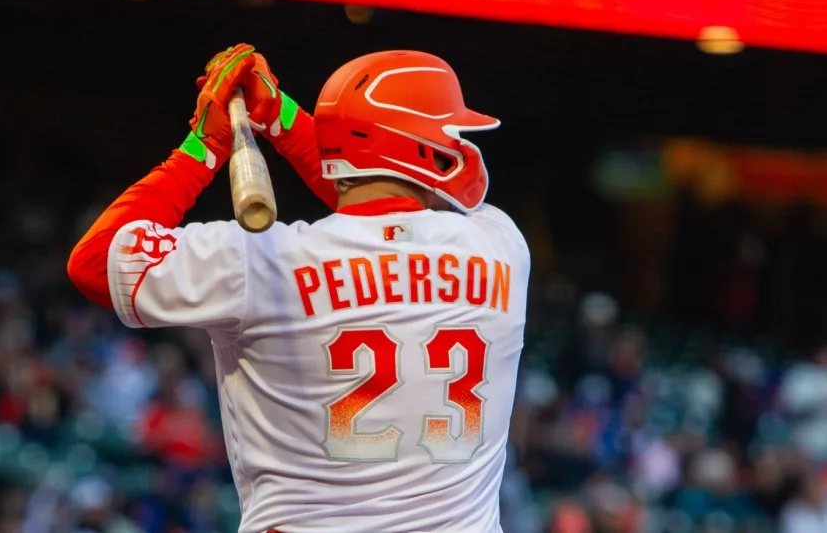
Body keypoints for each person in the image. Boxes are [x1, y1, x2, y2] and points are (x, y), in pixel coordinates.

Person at [68, 44, 531, 533]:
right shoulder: (500, 245)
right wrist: (282, 118)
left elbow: (96, 262)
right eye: (448, 134)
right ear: (417, 146)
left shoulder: (260, 259)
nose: (456, 146)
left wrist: (203, 146)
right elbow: (380, 218)